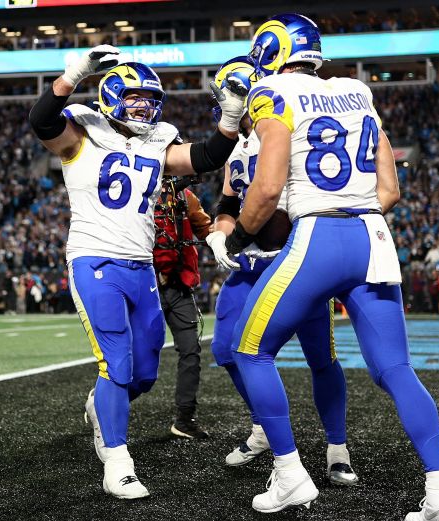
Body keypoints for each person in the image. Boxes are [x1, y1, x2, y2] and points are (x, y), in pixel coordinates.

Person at [217, 14, 439, 519]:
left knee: (249, 350)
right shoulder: (356, 90)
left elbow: (266, 189)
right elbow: (390, 189)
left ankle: (290, 474)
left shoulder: (271, 91)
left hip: (319, 236)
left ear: (267, 51)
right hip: (373, 236)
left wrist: (238, 237)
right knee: (396, 369)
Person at [28, 45, 244, 498]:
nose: (144, 105)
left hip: (141, 265)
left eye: (150, 98)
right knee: (118, 366)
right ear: (109, 93)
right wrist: (74, 75)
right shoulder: (82, 132)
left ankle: (100, 404)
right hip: (94, 259)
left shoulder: (157, 139)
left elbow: (205, 157)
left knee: (143, 374)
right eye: (134, 96)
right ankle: (118, 461)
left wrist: (229, 118)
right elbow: (42, 121)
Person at [205, 57, 357, 484]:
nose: (226, 106)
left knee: (320, 359)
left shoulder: (289, 130)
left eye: (231, 96)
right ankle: (263, 427)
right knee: (225, 351)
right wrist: (221, 231)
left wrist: (239, 235)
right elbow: (230, 202)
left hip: (293, 261)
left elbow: (277, 203)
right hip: (248, 266)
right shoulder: (239, 145)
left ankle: (337, 448)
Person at [151, 177, 211, 439]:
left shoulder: (185, 197)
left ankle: (185, 419)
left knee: (191, 352)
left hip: (177, 286)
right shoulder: (139, 193)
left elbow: (207, 230)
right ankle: (105, 404)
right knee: (139, 361)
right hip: (147, 287)